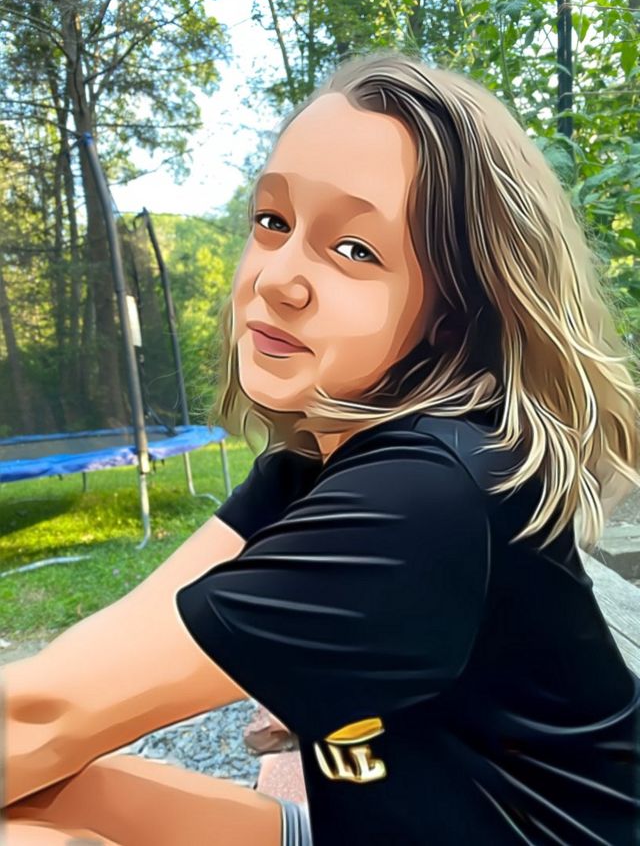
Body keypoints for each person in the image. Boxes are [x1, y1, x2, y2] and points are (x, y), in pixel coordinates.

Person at [3, 49, 640, 845]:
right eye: (273, 221)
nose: (277, 279)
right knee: (56, 799)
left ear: (453, 312)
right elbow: (92, 666)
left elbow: (42, 715)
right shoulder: (316, 462)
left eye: (354, 250)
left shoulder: (424, 496)